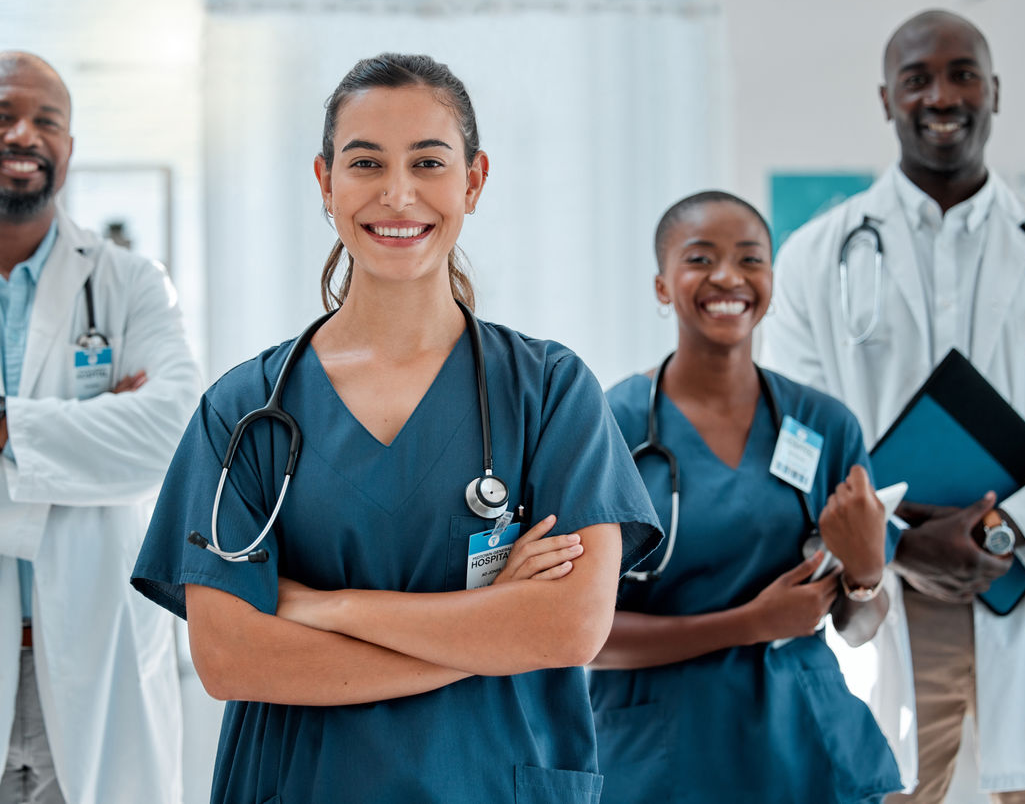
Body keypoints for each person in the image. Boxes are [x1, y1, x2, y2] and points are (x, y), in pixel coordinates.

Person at [130, 52, 662, 804]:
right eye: (366, 162)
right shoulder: (245, 411)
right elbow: (231, 658)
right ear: (326, 183)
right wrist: (487, 630)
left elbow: (568, 628)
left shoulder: (548, 391)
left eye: (429, 161)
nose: (398, 193)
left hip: (494, 781)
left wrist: (326, 606)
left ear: (474, 181)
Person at [761, 10, 1025, 803]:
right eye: (918, 79)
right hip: (888, 599)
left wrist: (1002, 528)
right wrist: (902, 543)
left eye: (962, 73)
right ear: (887, 99)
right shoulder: (816, 258)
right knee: (885, 790)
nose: (942, 95)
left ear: (993, 90)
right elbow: (799, 439)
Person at [588, 190, 902, 803]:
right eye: (700, 259)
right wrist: (750, 624)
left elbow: (857, 628)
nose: (727, 277)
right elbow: (581, 638)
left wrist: (867, 571)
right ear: (661, 286)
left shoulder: (824, 424)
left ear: (771, 282)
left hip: (799, 741)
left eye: (750, 259)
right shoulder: (610, 427)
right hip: (662, 748)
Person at [0, 52, 200, 804]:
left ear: (69, 148)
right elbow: (127, 437)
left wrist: (7, 426)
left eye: (46, 121)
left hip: (95, 647)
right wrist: (85, 428)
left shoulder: (129, 283)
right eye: (5, 115)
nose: (24, 134)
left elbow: (171, 431)